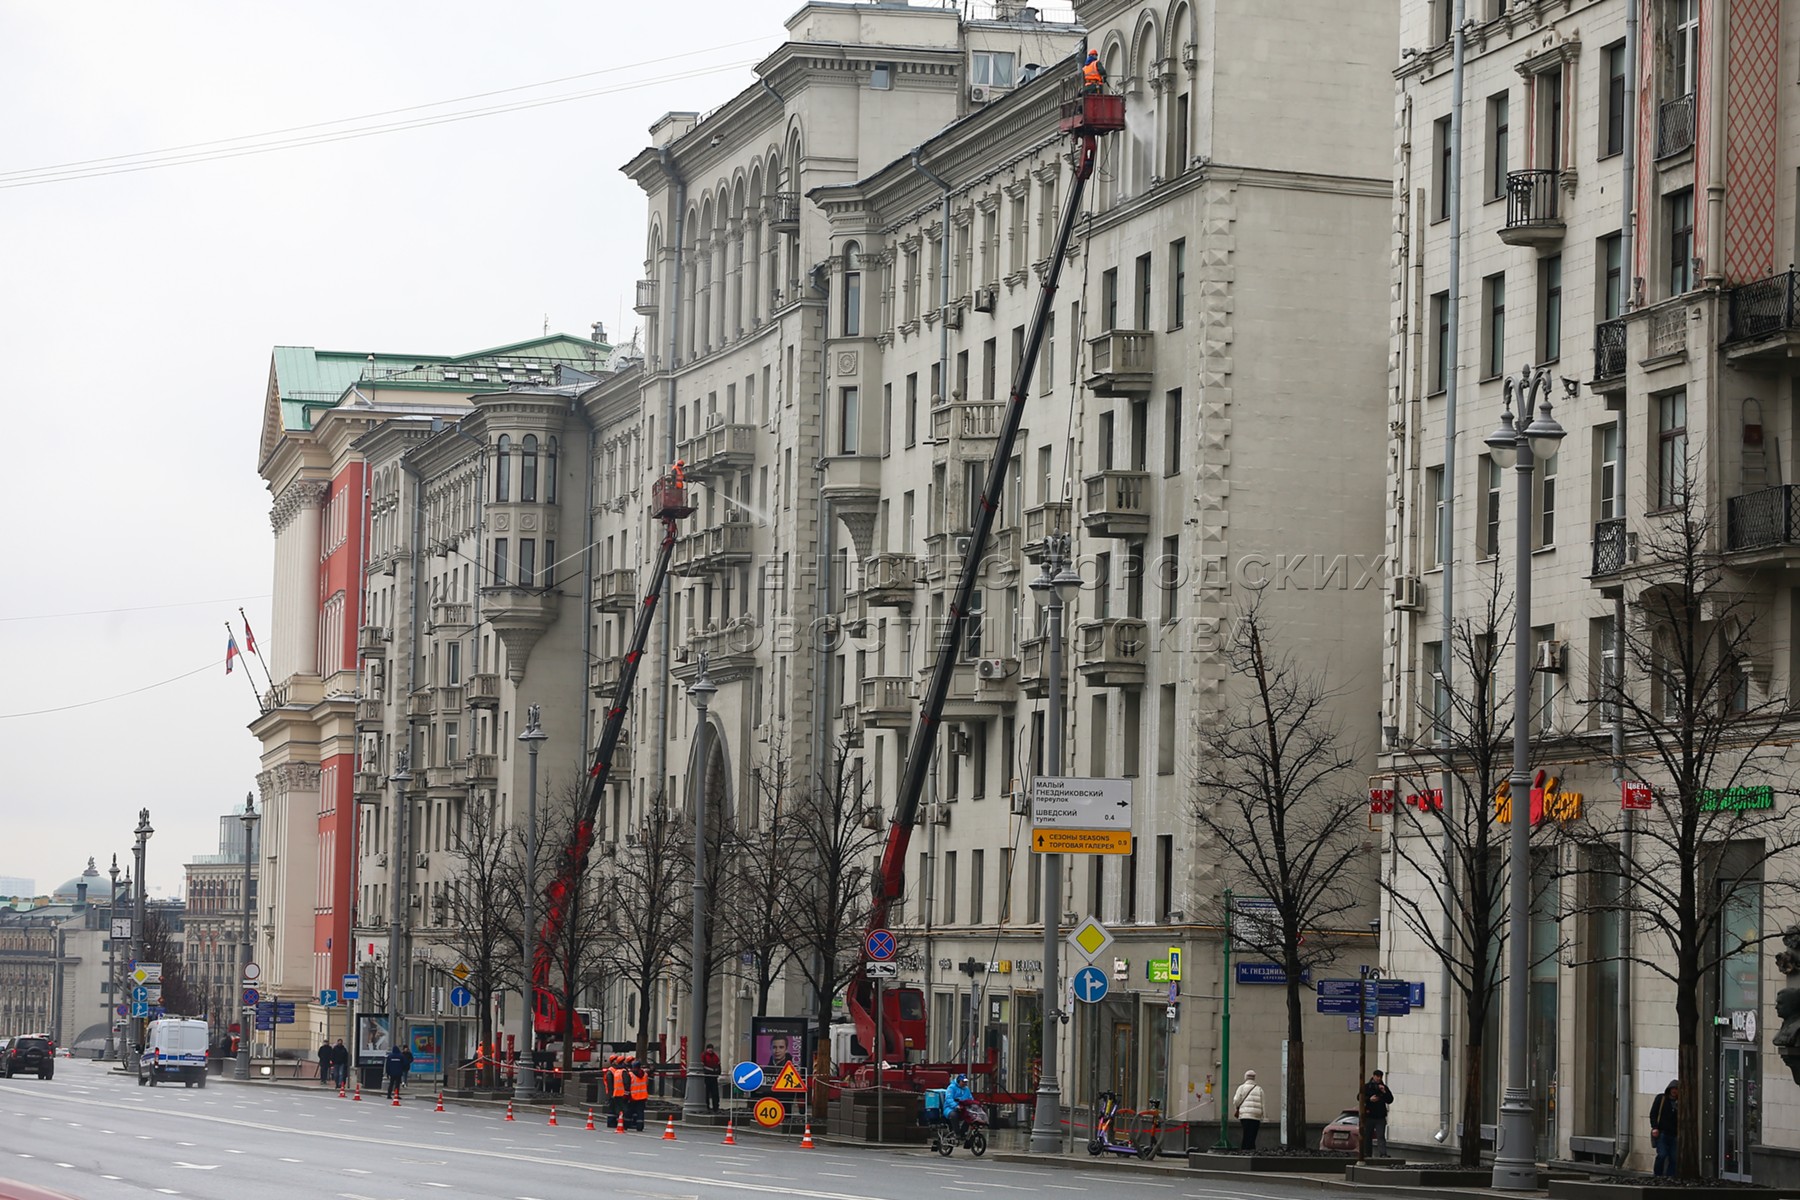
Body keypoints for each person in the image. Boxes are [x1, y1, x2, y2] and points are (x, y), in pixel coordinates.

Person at [1361, 1069, 1394, 1157]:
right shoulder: (1367, 1087)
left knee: (1380, 1136)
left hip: (1380, 1116)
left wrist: (1384, 1092)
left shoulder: (1384, 1087)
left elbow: (1390, 1100)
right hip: (1369, 1115)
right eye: (1377, 1076)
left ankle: (1383, 1153)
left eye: (1380, 1077)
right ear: (1373, 1076)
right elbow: (1359, 1097)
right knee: (1368, 1136)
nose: (1379, 1079)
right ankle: (1367, 1153)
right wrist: (1369, 1099)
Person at [1651, 1080, 1679, 1178]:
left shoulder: (1679, 1103)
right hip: (1662, 1132)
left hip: (1674, 1133)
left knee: (1674, 1158)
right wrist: (1655, 1127)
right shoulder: (1661, 1099)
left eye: (1676, 1089)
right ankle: (1657, 1174)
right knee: (1662, 1154)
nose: (1674, 1091)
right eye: (1673, 1089)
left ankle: (1670, 1176)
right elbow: (1653, 1114)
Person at [1232, 1069, 1265, 1150]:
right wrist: (1264, 1116)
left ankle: (1245, 1150)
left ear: (1245, 1077)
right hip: (1256, 1116)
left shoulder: (1241, 1088)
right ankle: (1252, 1150)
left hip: (1245, 1115)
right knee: (1253, 1135)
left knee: (1246, 1134)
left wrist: (1237, 1107)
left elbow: (1236, 1100)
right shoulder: (1259, 1089)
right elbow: (1263, 1104)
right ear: (1254, 1078)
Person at [944, 1073, 975, 1140]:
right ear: (958, 1081)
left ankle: (963, 1132)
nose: (964, 1083)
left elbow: (970, 1099)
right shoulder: (951, 1087)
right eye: (963, 1081)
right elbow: (949, 1099)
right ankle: (957, 1133)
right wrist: (956, 1106)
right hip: (949, 1108)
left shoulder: (966, 1089)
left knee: (970, 1116)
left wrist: (974, 1105)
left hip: (963, 1109)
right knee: (954, 1115)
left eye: (965, 1082)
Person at [627, 1060, 650, 1131]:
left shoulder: (630, 1074)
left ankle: (627, 1124)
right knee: (640, 1112)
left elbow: (628, 1085)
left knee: (629, 1111)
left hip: (633, 1096)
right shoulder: (645, 1074)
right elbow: (647, 1084)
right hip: (643, 1096)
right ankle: (640, 1126)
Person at [701, 1043, 722, 1113]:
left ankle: (715, 1107)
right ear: (707, 1049)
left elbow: (718, 1065)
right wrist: (709, 1071)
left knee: (715, 1093)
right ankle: (706, 1106)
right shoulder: (704, 1056)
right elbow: (702, 1066)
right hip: (706, 1077)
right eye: (709, 1048)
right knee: (706, 1093)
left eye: (711, 1048)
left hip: (714, 1077)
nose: (710, 1050)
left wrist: (717, 1072)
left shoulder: (715, 1056)